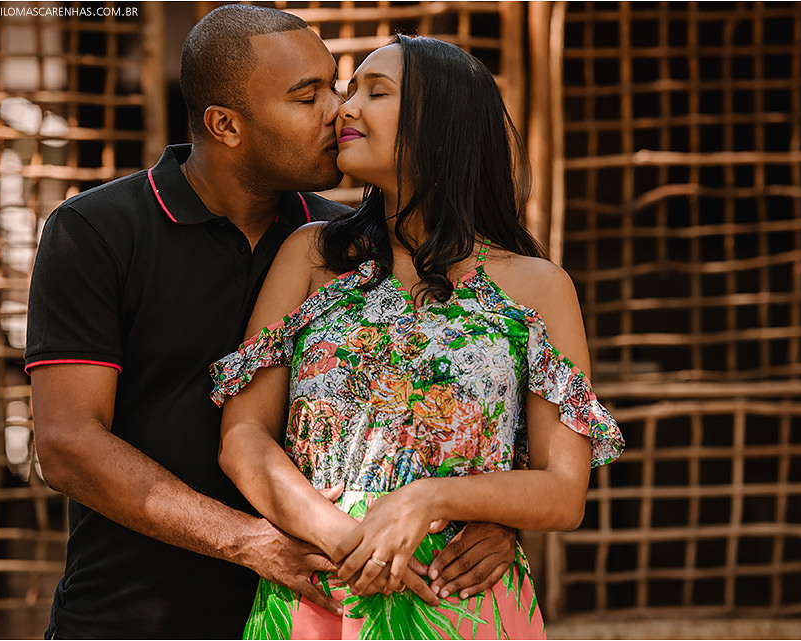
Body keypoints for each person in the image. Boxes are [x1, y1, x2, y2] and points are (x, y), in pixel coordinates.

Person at [25, 6, 516, 638]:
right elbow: (67, 446)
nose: (338, 110)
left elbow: (451, 397)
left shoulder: (338, 246)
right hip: (131, 611)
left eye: (336, 86)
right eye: (307, 96)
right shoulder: (97, 231)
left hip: (314, 614)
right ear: (225, 124)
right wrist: (247, 541)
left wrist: (495, 518)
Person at [212, 34, 625, 639]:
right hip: (323, 593)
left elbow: (564, 491)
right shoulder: (310, 255)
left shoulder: (538, 287)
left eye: (374, 93)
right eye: (349, 91)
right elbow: (242, 436)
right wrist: (341, 538)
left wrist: (432, 499)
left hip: (461, 600)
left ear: (442, 126)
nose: (344, 109)